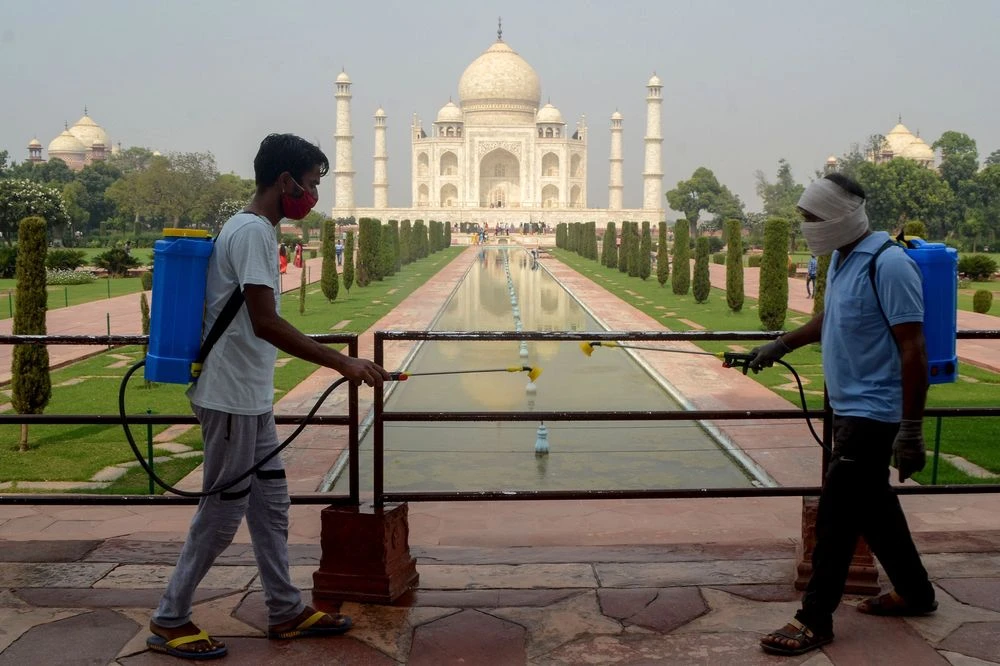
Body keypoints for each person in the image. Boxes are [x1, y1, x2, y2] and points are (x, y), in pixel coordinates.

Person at [147, 134, 390, 660]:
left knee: (271, 503)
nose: (313, 195)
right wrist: (341, 361)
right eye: (311, 184)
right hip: (230, 396)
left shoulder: (246, 227)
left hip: (246, 396)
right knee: (221, 510)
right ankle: (170, 617)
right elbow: (265, 323)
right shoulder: (254, 232)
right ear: (285, 182)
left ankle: (284, 606)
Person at [753, 173, 936, 657]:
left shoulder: (888, 264)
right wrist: (780, 344)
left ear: (841, 216)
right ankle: (916, 593)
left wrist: (912, 430)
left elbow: (914, 348)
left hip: (874, 413)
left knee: (836, 518)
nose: (808, 227)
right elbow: (831, 318)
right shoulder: (842, 259)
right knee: (874, 508)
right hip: (846, 405)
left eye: (813, 218)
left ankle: (815, 618)